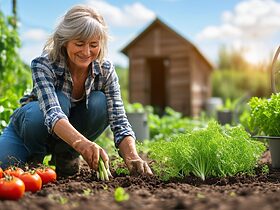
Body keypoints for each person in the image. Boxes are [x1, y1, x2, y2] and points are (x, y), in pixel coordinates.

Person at [0, 4, 153, 177]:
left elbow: (119, 120)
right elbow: (53, 113)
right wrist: (83, 144)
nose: (87, 52)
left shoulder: (105, 70)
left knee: (100, 103)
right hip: (30, 131)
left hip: (68, 139)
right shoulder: (43, 64)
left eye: (94, 45)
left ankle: (67, 155)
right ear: (65, 41)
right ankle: (34, 157)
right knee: (5, 165)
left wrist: (133, 157)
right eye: (79, 44)